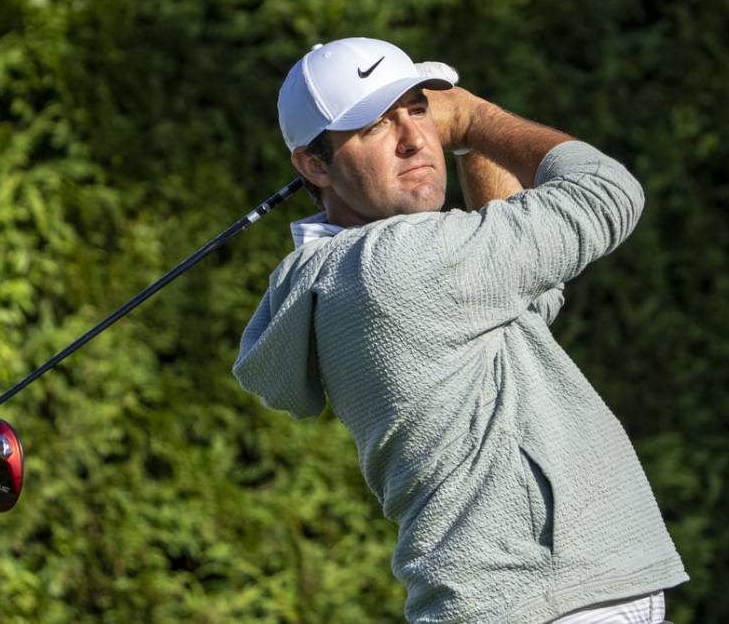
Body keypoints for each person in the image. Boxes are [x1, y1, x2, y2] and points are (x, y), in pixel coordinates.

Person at [233, 37, 688, 623]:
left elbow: (530, 298)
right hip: (544, 599)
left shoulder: (350, 274)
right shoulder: (394, 264)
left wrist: (472, 146)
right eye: (373, 125)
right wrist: (475, 118)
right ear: (315, 165)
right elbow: (607, 194)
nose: (414, 138)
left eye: (418, 110)